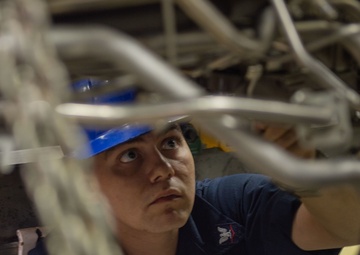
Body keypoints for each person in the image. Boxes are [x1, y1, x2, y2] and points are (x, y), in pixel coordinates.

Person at [30, 79, 360, 255]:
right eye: (129, 156)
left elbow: (347, 228)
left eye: (170, 143)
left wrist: (303, 168)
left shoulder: (234, 206)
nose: (162, 169)